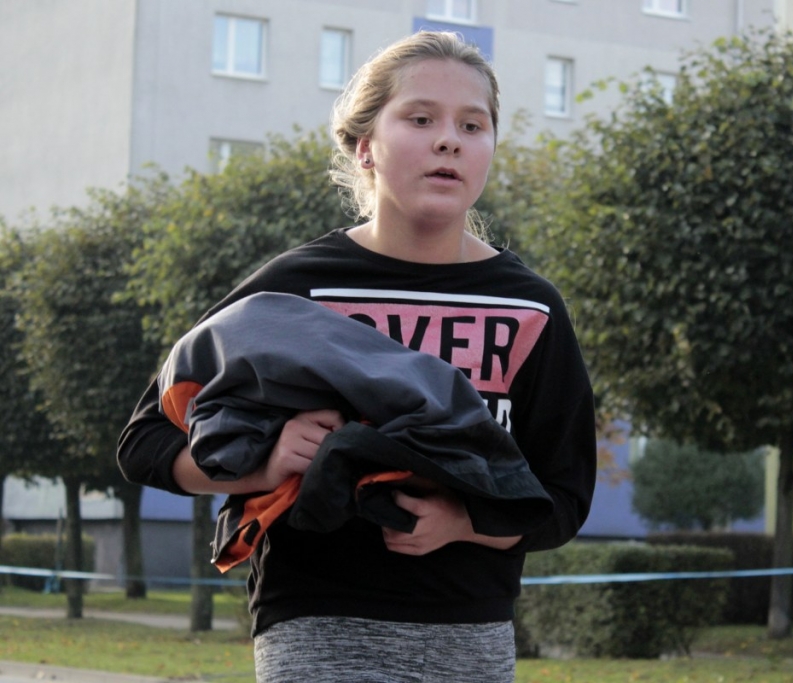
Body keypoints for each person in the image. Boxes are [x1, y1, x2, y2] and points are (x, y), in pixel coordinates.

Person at [117, 30, 596, 682]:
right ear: (366, 146)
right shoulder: (295, 288)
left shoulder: (532, 308)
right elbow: (145, 441)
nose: (449, 140)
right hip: (315, 629)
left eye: (472, 125)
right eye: (420, 119)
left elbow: (563, 497)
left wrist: (463, 522)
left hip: (471, 639)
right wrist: (265, 462)